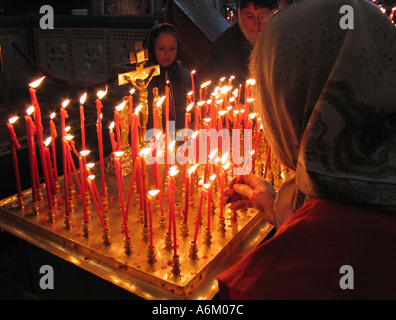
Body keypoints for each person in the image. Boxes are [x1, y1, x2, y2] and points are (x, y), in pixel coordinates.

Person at [218, 0, 396, 299]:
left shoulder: (275, 281)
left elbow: (332, 242)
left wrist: (299, 229)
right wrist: (280, 207)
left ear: (289, 99)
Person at [200, 0, 278, 86]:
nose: (256, 24)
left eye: (263, 16)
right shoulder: (224, 46)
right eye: (249, 16)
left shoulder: (282, 41)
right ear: (240, 15)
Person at [144, 23, 191, 132]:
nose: (167, 53)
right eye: (161, 48)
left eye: (172, 48)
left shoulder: (184, 76)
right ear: (152, 48)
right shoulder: (146, 78)